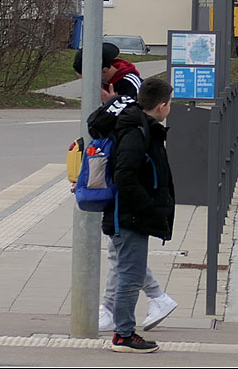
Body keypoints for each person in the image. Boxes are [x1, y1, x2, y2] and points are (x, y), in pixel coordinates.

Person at [73, 43, 177, 333]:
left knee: (123, 257)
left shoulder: (128, 89)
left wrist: (113, 102)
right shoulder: (134, 120)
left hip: (125, 202)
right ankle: (133, 311)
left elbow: (124, 166)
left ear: (104, 69)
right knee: (123, 256)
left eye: (89, 76)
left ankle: (123, 315)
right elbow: (124, 167)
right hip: (127, 203)